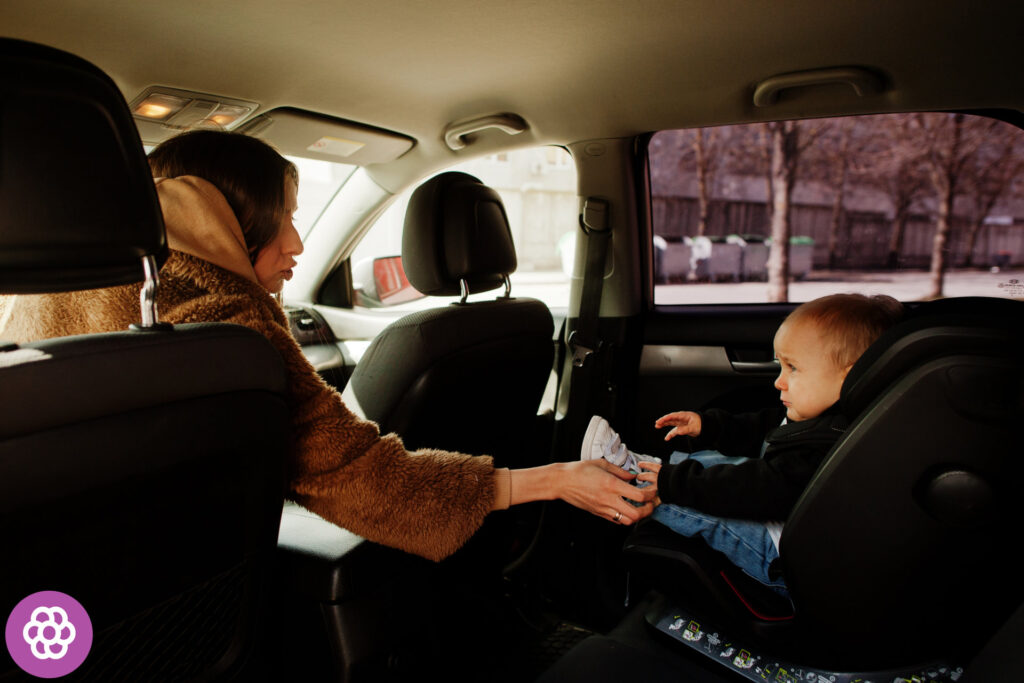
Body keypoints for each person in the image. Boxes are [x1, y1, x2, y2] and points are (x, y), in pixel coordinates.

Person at [0, 129, 655, 562]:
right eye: (282, 216)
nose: (299, 243)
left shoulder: (35, 320)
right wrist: (555, 479)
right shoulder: (233, 337)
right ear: (222, 218)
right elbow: (372, 482)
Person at [581, 293, 904, 593]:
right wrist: (708, 425)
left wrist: (671, 484)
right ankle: (646, 469)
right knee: (713, 459)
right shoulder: (825, 419)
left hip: (782, 556)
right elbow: (764, 429)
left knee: (696, 500)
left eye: (793, 368)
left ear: (851, 377)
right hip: (786, 518)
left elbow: (760, 488)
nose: (779, 380)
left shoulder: (830, 446)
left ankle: (637, 487)